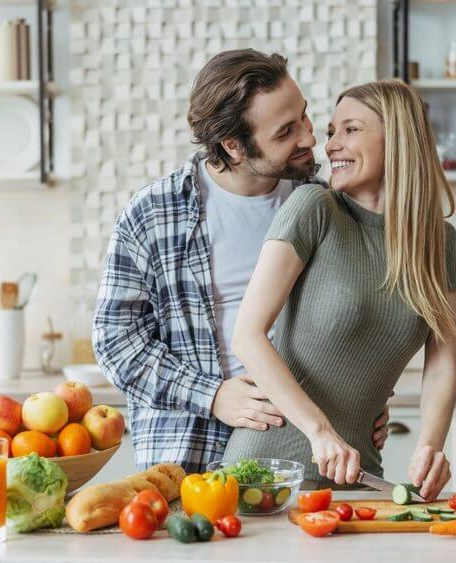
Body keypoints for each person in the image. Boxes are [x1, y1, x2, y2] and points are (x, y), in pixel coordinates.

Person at [93, 50, 391, 474]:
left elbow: (357, 314)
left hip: (309, 450)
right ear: (234, 146)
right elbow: (116, 344)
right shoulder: (154, 215)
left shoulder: (327, 205)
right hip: (190, 457)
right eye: (286, 131)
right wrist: (212, 396)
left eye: (304, 117)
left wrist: (369, 392)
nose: (309, 139)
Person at [225, 79, 456, 500]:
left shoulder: (439, 242)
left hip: (358, 475)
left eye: (350, 129)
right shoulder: (314, 209)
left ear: (398, 138)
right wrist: (320, 431)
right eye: (333, 131)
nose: (331, 145)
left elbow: (442, 361)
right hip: (269, 469)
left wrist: (431, 445)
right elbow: (248, 336)